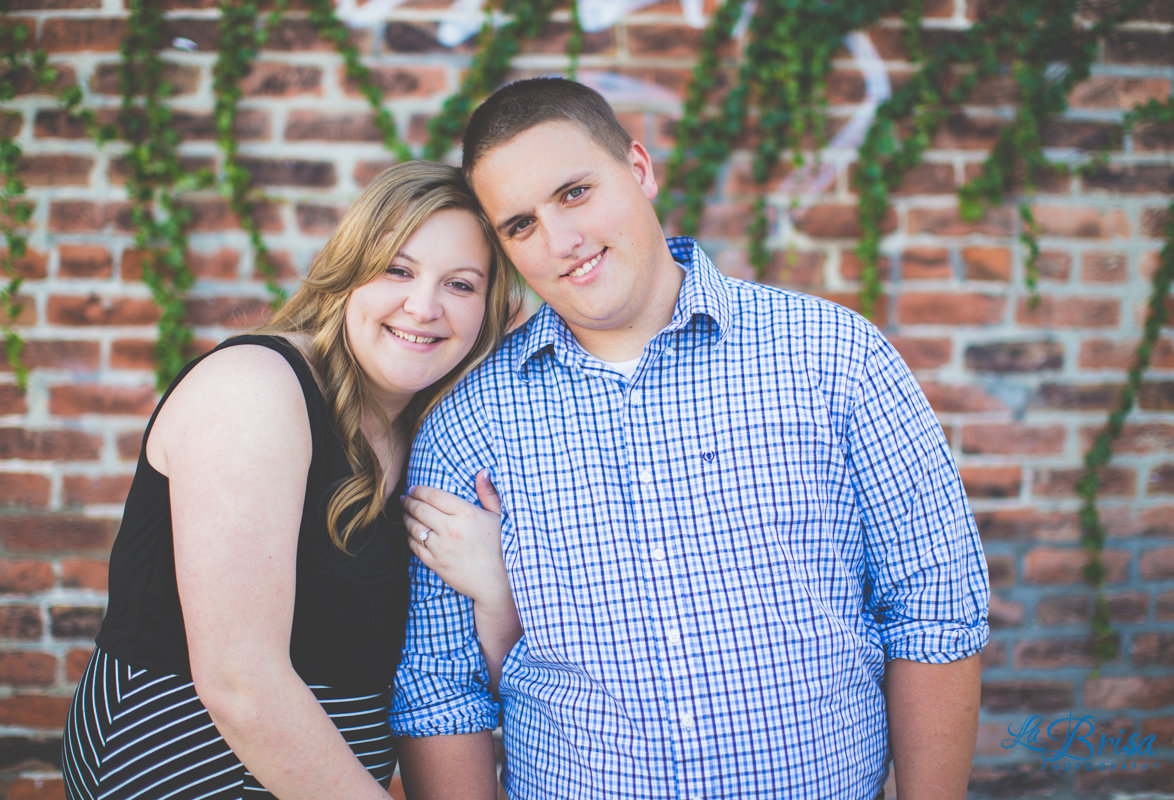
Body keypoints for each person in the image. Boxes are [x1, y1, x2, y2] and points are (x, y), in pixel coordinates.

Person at [390, 78, 990, 800]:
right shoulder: (469, 421)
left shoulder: (835, 356)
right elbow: (438, 690)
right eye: (520, 225)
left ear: (639, 169)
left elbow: (935, 610)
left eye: (575, 193)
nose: (561, 241)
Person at [61, 162, 523, 799]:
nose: (424, 306)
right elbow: (240, 684)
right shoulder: (255, 388)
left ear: (489, 309)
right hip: (180, 753)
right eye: (398, 269)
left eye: (462, 284)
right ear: (349, 271)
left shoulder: (437, 432)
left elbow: (472, 674)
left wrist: (497, 591)